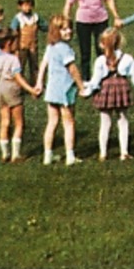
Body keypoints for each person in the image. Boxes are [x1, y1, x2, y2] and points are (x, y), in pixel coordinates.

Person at [83, 27, 134, 161]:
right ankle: (124, 152)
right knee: (122, 120)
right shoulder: (127, 59)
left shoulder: (100, 61)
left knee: (105, 122)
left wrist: (86, 91)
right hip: (121, 89)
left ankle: (103, 153)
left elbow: (95, 81)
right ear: (119, 42)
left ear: (101, 44)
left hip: (105, 90)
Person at [34, 14, 86, 166]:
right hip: (65, 89)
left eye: (69, 28)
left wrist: (39, 82)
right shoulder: (65, 49)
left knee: (52, 122)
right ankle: (70, 156)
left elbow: (43, 65)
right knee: (69, 122)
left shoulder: (51, 47)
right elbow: (73, 69)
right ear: (55, 31)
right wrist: (81, 86)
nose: (68, 31)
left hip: (52, 89)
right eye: (63, 29)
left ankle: (47, 155)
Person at [0, 28, 40, 161]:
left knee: (4, 121)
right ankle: (16, 154)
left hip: (0, 88)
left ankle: (5, 153)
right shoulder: (14, 59)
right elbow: (18, 78)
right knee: (19, 122)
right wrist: (31, 90)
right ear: (9, 43)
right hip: (12, 88)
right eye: (16, 40)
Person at [64, 0, 119, 75]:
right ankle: (85, 79)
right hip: (83, 21)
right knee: (85, 53)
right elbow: (69, 2)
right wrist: (66, 20)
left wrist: (116, 15)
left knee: (102, 49)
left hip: (100, 19)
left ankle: (103, 75)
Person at [11, 0, 47, 85]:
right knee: (20, 66)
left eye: (30, 5)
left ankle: (35, 83)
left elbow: (45, 26)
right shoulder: (18, 18)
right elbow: (13, 31)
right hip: (21, 47)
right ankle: (19, 84)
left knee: (34, 66)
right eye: (25, 5)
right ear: (20, 6)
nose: (28, 8)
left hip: (33, 46)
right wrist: (14, 47)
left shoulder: (36, 17)